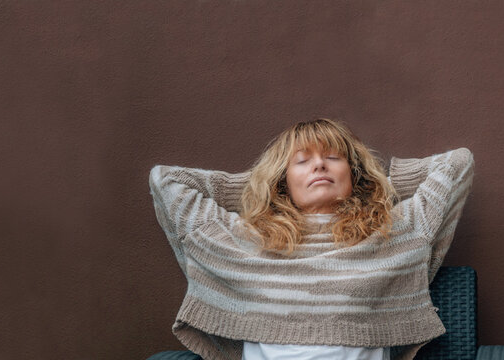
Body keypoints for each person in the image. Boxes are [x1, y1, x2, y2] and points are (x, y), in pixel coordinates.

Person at [148, 118, 475, 360]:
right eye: (302, 161)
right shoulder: (242, 239)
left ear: (354, 173)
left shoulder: (394, 232)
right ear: (281, 180)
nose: (319, 163)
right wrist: (259, 186)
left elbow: (457, 163)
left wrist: (375, 181)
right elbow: (166, 180)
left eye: (333, 157)